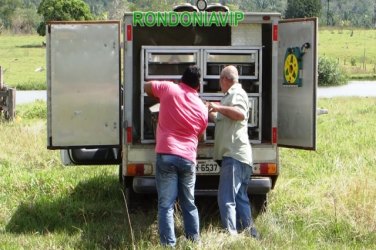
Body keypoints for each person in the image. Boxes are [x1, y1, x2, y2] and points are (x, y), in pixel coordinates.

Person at [144, 65, 208, 247]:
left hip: (167, 154)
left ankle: (168, 244)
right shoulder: (202, 108)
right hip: (188, 158)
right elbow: (200, 136)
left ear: (182, 79)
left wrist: (158, 97)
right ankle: (194, 241)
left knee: (166, 204)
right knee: (189, 203)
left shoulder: (169, 88)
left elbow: (146, 86)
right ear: (198, 86)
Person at [208, 65, 259, 238]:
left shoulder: (237, 94)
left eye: (220, 81)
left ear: (224, 79)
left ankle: (231, 237)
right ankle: (251, 234)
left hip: (234, 155)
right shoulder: (229, 96)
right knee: (240, 198)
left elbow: (239, 114)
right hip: (240, 156)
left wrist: (217, 107)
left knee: (226, 198)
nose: (219, 85)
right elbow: (223, 120)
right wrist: (208, 112)